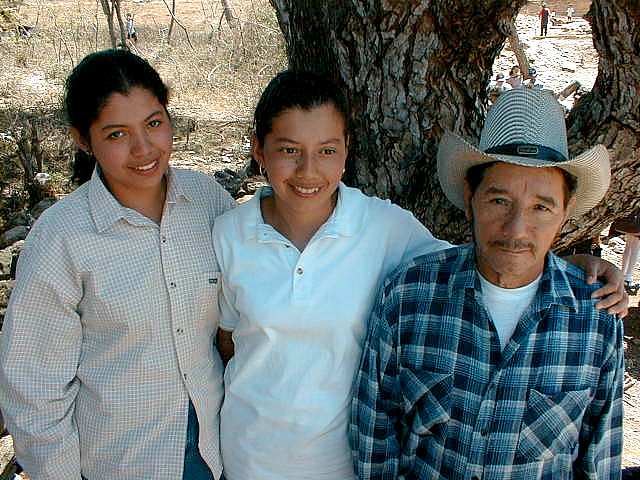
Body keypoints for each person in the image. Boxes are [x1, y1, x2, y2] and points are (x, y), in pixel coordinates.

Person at [214, 72, 625, 480]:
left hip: (338, 466)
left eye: (326, 150)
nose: (308, 170)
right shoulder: (229, 234)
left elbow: (494, 261)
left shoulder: (386, 229)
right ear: (259, 149)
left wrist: (571, 268)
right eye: (289, 149)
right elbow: (228, 342)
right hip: (249, 460)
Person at [351, 88, 623, 479]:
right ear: (470, 198)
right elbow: (374, 438)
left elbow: (600, 460)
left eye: (541, 207)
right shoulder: (409, 296)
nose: (517, 229)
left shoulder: (596, 317)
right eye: (499, 201)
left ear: (565, 212)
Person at [0, 49, 234, 479]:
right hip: (123, 463)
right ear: (82, 139)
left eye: (154, 123)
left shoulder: (207, 202)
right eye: (116, 134)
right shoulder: (62, 238)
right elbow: (34, 387)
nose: (143, 149)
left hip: (217, 453)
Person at [610, 212, 640, 294]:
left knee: (628, 246)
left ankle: (623, 275)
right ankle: (628, 278)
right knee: (635, 248)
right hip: (637, 221)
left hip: (632, 218)